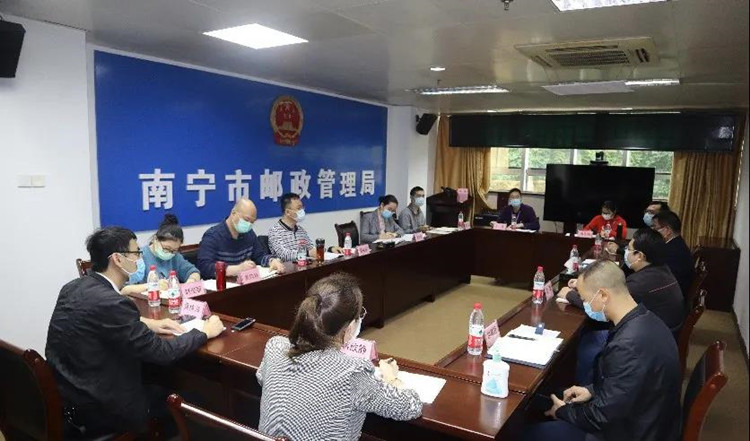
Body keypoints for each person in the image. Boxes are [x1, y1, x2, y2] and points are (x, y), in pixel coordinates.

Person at [46, 227, 224, 437]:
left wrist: (148, 323)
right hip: (106, 408)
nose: (140, 259)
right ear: (118, 259)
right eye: (136, 253)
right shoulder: (114, 303)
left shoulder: (73, 287)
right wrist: (204, 332)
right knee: (196, 400)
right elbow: (162, 352)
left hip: (71, 397)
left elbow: (100, 321)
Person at [526, 260, 681, 441]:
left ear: (603, 295)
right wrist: (592, 390)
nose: (585, 305)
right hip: (644, 417)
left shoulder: (628, 346)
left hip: (632, 432)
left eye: (585, 300)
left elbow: (601, 418)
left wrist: (562, 411)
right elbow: (628, 382)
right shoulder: (646, 319)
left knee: (528, 434)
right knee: (546, 400)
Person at [256, 272, 422, 441]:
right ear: (349, 328)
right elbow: (411, 406)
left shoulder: (275, 347)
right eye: (359, 315)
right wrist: (391, 378)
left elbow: (263, 377)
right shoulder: (352, 371)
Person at [561, 228, 685, 335]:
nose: (626, 251)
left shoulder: (639, 285)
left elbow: (602, 307)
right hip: (659, 331)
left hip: (644, 338)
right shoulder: (661, 270)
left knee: (586, 336)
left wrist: (569, 295)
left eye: (629, 249)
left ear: (639, 256)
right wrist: (585, 285)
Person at [197, 198, 285, 278]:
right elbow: (204, 267)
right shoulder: (213, 236)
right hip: (221, 286)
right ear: (233, 213)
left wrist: (271, 261)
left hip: (244, 284)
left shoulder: (249, 234)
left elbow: (259, 255)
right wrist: (237, 269)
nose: (248, 225)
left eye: (252, 222)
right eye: (246, 220)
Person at [121, 214, 200, 295]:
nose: (169, 253)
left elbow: (192, 271)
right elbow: (125, 290)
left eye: (174, 250)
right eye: (166, 248)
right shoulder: (139, 256)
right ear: (156, 239)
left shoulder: (175, 257)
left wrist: (192, 281)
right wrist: (153, 286)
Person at [268, 193, 342, 262]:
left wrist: (330, 249)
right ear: (288, 212)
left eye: (302, 207)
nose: (302, 211)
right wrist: (307, 253)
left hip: (304, 267)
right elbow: (283, 255)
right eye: (299, 208)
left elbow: (311, 249)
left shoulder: (300, 230)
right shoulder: (275, 231)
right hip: (287, 269)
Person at [652, 210, 695, 301]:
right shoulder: (676, 243)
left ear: (667, 230)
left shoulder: (674, 251)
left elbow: (661, 279)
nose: (652, 232)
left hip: (670, 298)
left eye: (655, 228)